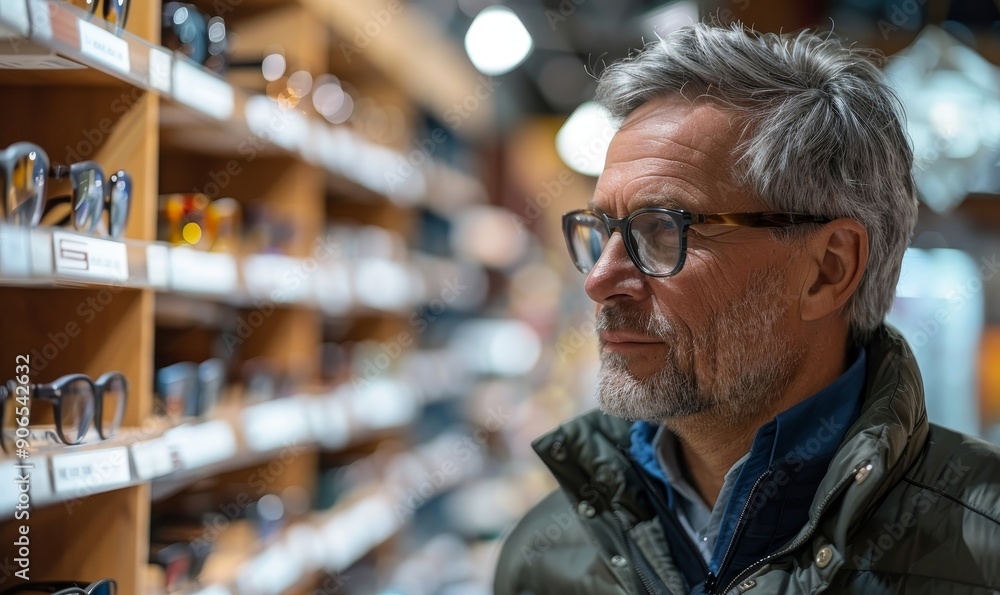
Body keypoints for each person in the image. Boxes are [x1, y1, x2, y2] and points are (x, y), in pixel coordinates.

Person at [494, 21, 1000, 595]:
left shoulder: (982, 549)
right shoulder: (546, 558)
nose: (600, 280)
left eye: (663, 229)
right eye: (601, 229)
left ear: (828, 269)